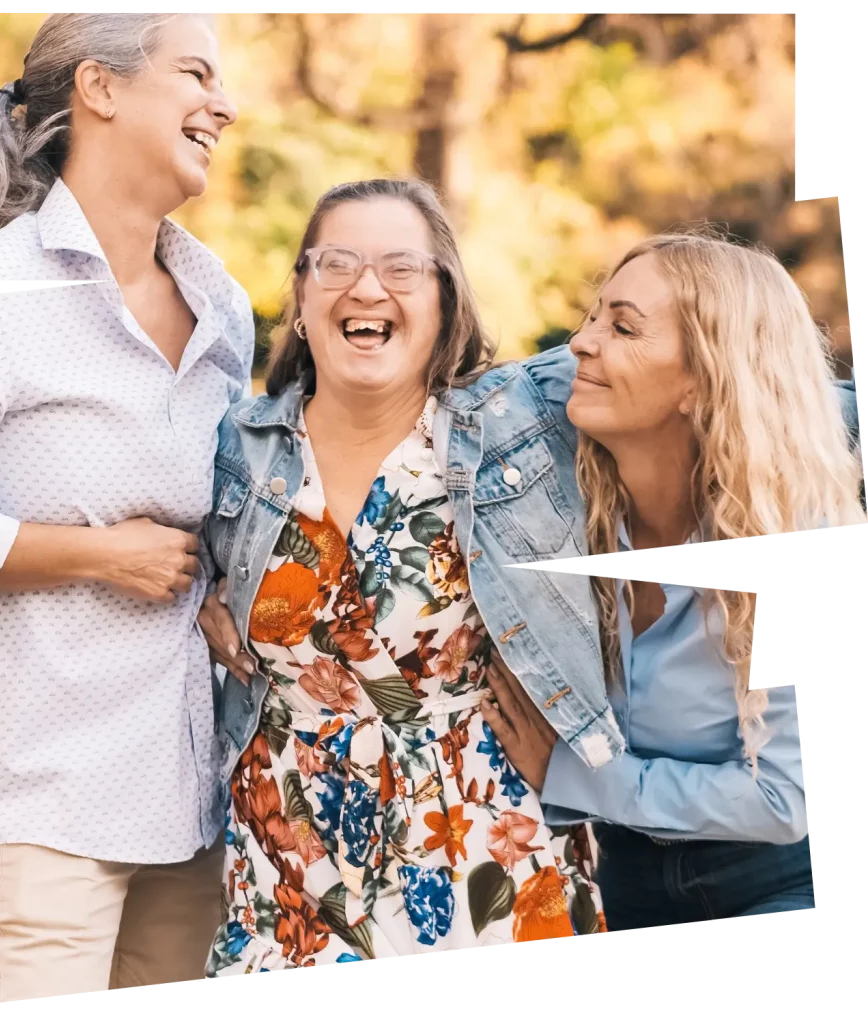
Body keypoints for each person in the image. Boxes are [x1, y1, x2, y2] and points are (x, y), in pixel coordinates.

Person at [0, 11, 248, 1003]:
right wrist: (96, 555)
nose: (225, 105)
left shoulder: (227, 307)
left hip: (192, 796)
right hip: (35, 796)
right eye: (196, 74)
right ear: (101, 88)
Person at [197, 178, 628, 975]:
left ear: (444, 301)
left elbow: (705, 376)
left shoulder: (521, 425)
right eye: (337, 264)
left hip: (480, 829)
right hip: (291, 845)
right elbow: (151, 545)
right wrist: (199, 599)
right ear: (300, 296)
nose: (367, 288)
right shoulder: (234, 447)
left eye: (402, 268)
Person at [473, 232, 862, 930]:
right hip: (624, 883)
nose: (583, 343)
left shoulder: (805, 534)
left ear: (705, 379)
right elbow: (466, 402)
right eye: (593, 317)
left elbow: (785, 800)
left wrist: (575, 774)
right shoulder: (561, 507)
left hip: (781, 882)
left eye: (623, 327)